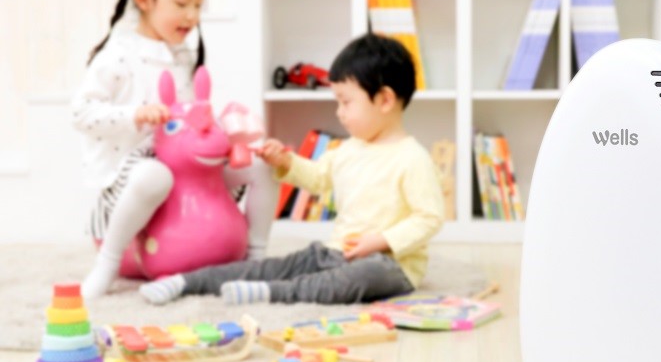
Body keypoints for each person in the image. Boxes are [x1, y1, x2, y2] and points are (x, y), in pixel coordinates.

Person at [140, 33, 445, 305]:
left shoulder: (412, 158)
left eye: (346, 102)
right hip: (337, 252)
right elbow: (318, 178)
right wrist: (286, 162)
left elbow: (429, 218)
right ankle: (186, 282)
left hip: (390, 265)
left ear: (385, 100)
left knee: (360, 277)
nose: (339, 113)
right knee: (278, 266)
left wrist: (380, 242)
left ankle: (272, 293)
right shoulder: (350, 148)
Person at [72, 0, 277, 299]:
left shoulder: (182, 57)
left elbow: (187, 121)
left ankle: (255, 258)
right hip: (134, 179)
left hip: (185, 174)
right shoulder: (117, 56)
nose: (192, 15)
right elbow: (81, 113)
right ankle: (107, 264)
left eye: (198, 4)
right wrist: (135, 114)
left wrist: (226, 131)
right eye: (182, 4)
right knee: (156, 175)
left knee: (261, 166)